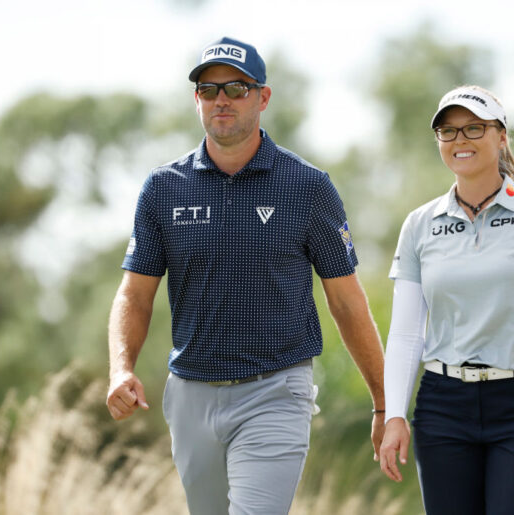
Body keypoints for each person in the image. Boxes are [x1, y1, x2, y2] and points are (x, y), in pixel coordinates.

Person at [105, 36, 386, 515]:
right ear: (197, 99)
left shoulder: (308, 187)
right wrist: (121, 367)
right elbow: (134, 294)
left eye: (236, 88)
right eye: (209, 89)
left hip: (275, 389)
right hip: (191, 395)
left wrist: (383, 401)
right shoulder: (162, 189)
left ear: (263, 97)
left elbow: (345, 300)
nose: (222, 100)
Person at [378, 85, 514, 514]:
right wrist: (394, 415)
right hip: (443, 404)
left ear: (501, 136)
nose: (460, 141)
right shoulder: (420, 224)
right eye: (448, 131)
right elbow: (404, 334)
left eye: (474, 128)